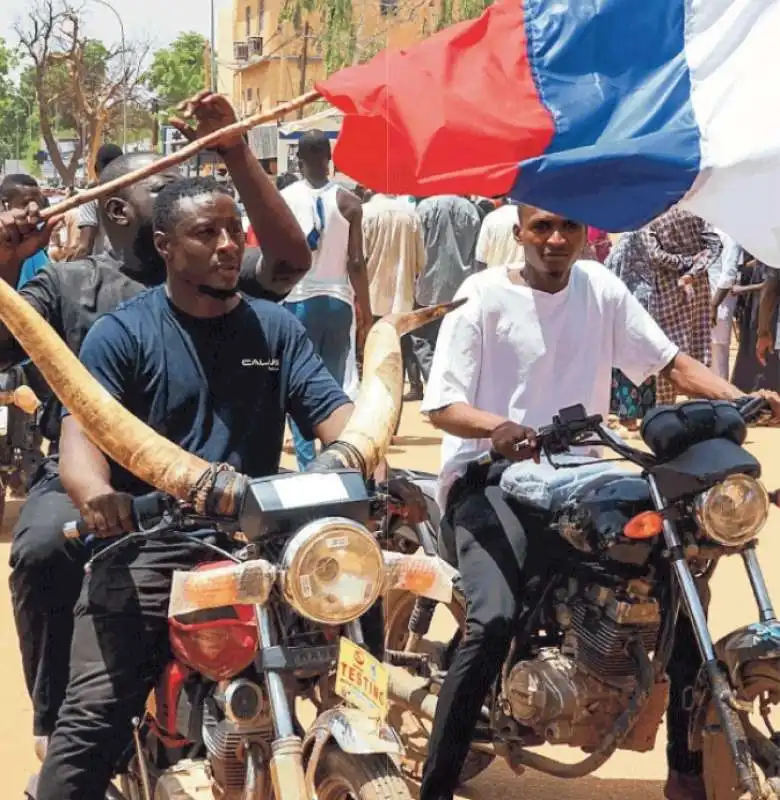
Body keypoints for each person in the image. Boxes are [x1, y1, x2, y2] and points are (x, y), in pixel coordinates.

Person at [32, 175, 421, 799]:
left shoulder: (275, 330)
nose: (226, 246)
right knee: (93, 721)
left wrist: (373, 463)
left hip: (262, 534)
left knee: (358, 597)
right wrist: (98, 497)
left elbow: (334, 415)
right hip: (156, 537)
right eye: (204, 233)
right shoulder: (122, 335)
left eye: (232, 231)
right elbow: (84, 436)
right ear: (163, 244)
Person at [419, 203, 780, 800]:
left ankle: (686, 775)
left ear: (587, 235)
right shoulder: (481, 297)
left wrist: (743, 399)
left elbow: (671, 364)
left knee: (680, 591)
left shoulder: (601, 288)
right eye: (542, 227)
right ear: (519, 235)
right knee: (494, 619)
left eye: (568, 227)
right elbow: (441, 405)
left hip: (584, 472)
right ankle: (434, 785)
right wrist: (500, 428)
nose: (556, 238)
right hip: (487, 477)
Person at [3, 91, 312, 759]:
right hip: (99, 485)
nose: (187, 188)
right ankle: (57, 719)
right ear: (121, 208)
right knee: (41, 550)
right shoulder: (65, 283)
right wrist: (4, 261)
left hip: (222, 487)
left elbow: (288, 259)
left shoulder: (222, 274)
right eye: (167, 183)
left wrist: (232, 145)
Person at [281, 129, 372, 469]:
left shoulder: (285, 198)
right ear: (330, 159)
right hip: (337, 303)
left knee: (297, 385)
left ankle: (307, 464)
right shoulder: (350, 202)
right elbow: (357, 262)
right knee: (333, 387)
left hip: (296, 301)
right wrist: (367, 310)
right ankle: (334, 462)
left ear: (299, 160)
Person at [643, 207, 723, 405]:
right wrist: (692, 271)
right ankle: (702, 413)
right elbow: (715, 246)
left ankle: (664, 415)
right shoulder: (696, 210)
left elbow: (654, 254)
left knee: (665, 354)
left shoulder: (651, 216)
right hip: (697, 289)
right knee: (699, 349)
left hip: (666, 292)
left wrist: (683, 265)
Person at [362, 196, 426, 399]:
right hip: (403, 293)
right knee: (405, 343)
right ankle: (414, 386)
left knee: (373, 343)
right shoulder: (411, 214)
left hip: (373, 292)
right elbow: (420, 260)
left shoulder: (367, 212)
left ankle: (374, 389)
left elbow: (360, 256)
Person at [413, 195, 481, 384]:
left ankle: (435, 383)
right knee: (456, 342)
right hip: (461, 289)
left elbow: (416, 245)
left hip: (429, 286)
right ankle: (450, 386)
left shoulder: (425, 207)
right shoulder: (470, 209)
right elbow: (477, 252)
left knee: (423, 341)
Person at [73, 143, 124, 258]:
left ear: (96, 170)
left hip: (107, 270)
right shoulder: (137, 192)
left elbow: (85, 248)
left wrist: (68, 273)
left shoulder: (91, 197)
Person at [0, 174, 49, 287]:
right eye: (25, 203)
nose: (35, 209)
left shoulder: (36, 245)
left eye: (38, 203)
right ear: (5, 204)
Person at [708, 228, 742, 380]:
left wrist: (714, 305)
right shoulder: (707, 230)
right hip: (703, 303)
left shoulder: (729, 234)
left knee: (718, 356)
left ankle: (720, 401)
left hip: (720, 304)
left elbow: (729, 274)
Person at [474, 199, 524, 270]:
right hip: (521, 275)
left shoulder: (490, 218)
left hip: (494, 277)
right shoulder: (524, 218)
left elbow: (481, 258)